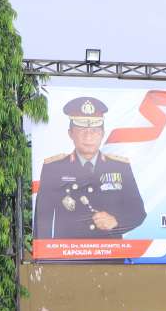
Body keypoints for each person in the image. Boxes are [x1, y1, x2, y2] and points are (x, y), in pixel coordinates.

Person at [34, 96, 147, 239]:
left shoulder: (120, 167)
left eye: (94, 131)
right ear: (71, 134)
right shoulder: (54, 168)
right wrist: (43, 256)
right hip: (67, 256)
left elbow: (138, 212)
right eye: (82, 130)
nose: (88, 137)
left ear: (102, 135)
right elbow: (42, 219)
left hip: (110, 256)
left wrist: (116, 221)